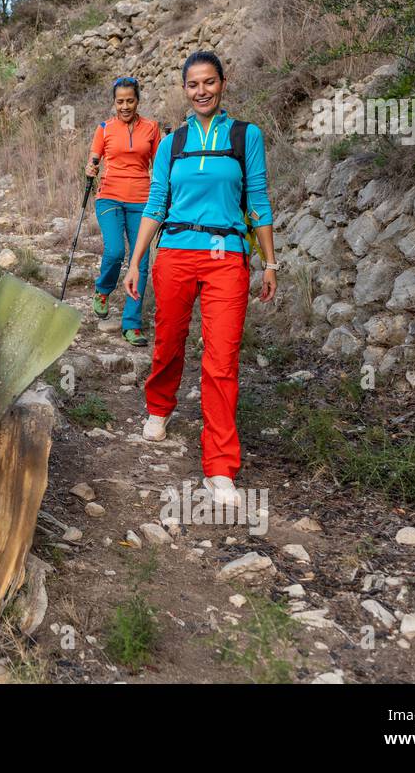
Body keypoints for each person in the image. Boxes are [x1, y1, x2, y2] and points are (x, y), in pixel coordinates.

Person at [122, 51, 279, 508]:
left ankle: (220, 466)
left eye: (209, 82)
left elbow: (258, 200)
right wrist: (135, 262)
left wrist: (270, 262)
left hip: (227, 256)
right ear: (184, 89)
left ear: (223, 84)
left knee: (222, 359)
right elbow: (155, 204)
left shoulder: (245, 136)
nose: (202, 91)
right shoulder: (172, 143)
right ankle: (159, 407)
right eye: (193, 84)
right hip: (173, 253)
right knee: (168, 340)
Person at [85, 76, 161, 347]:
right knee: (116, 250)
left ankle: (132, 324)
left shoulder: (152, 128)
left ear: (138, 101)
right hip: (109, 198)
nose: (125, 106)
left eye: (130, 100)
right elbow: (94, 157)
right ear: (114, 102)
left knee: (140, 262)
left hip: (142, 201)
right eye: (120, 101)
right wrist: (91, 168)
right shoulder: (104, 128)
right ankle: (103, 290)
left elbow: (159, 164)